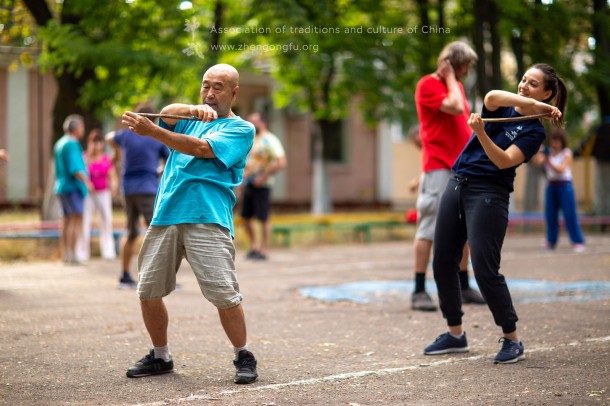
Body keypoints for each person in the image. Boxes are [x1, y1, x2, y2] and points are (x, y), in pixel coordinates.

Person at [120, 63, 258, 384]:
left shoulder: (241, 129)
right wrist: (191, 109)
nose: (210, 93)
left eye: (218, 87)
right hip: (166, 214)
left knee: (224, 294)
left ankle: (243, 353)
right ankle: (160, 356)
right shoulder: (192, 118)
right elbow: (167, 112)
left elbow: (200, 149)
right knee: (148, 290)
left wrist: (152, 132)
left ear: (234, 93)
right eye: (205, 86)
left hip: (207, 217)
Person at [423, 63, 566, 364]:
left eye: (534, 83)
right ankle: (455, 334)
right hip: (458, 183)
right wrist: (537, 104)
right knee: (442, 261)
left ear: (549, 92)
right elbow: (490, 95)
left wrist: (481, 133)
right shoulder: (503, 106)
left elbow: (503, 162)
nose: (524, 85)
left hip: (489, 194)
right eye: (524, 79)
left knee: (486, 269)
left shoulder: (533, 132)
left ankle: (512, 339)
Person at [412, 41, 485, 311]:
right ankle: (418, 290)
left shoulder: (457, 86)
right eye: (464, 66)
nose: (467, 71)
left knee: (463, 227)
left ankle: (463, 285)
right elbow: (455, 108)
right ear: (453, 64)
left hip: (461, 165)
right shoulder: (429, 84)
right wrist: (451, 78)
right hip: (438, 165)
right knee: (429, 226)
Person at [107, 106, 169, 288]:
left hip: (128, 189)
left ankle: (125, 275)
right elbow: (169, 161)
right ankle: (158, 279)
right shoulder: (156, 138)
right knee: (156, 232)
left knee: (132, 232)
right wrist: (158, 171)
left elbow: (108, 137)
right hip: (148, 188)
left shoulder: (125, 135)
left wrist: (117, 154)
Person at [241, 112, 287, 260]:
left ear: (263, 122)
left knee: (263, 217)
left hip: (263, 185)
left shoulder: (270, 140)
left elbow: (281, 162)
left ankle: (264, 249)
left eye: (254, 121)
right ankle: (254, 246)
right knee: (245, 217)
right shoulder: (252, 140)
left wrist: (263, 177)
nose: (251, 124)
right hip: (248, 183)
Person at [534, 129, 585, 252]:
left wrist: (548, 160)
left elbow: (560, 169)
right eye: (553, 140)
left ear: (562, 141)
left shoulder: (567, 153)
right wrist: (537, 149)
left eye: (558, 140)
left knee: (569, 214)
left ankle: (578, 241)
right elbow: (537, 162)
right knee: (550, 215)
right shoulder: (548, 153)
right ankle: (551, 241)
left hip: (564, 186)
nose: (555, 143)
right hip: (551, 185)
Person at [53, 114, 93, 265]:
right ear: (76, 128)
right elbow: (75, 168)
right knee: (76, 220)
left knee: (66, 220)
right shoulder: (72, 143)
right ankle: (72, 255)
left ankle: (65, 254)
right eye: (82, 126)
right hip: (73, 187)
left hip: (61, 186)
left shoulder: (59, 143)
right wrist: (87, 182)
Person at [75, 129, 119, 262]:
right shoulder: (84, 158)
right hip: (88, 194)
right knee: (85, 221)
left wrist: (114, 188)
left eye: (98, 142)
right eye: (93, 142)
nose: (96, 145)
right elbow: (79, 173)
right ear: (89, 143)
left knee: (106, 221)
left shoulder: (106, 159)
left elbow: (112, 175)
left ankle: (108, 251)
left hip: (103, 193)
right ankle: (82, 252)